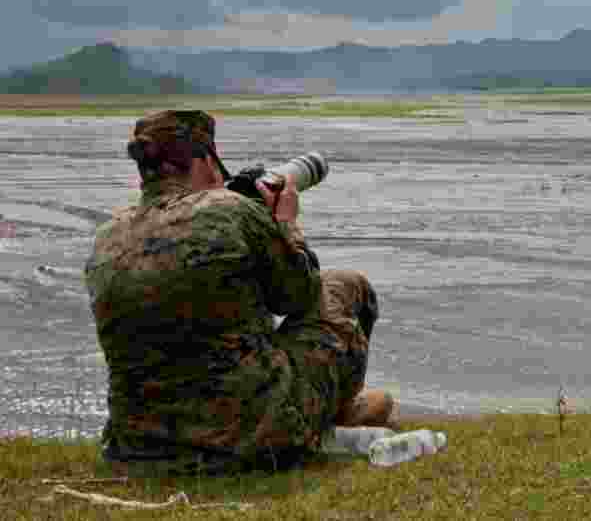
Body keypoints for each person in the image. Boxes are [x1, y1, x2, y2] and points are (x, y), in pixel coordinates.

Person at [85, 110, 395, 476]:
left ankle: (320, 410)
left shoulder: (107, 235)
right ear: (203, 159)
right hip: (250, 438)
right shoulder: (231, 211)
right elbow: (299, 296)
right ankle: (329, 412)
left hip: (136, 447)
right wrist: (285, 225)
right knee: (346, 286)